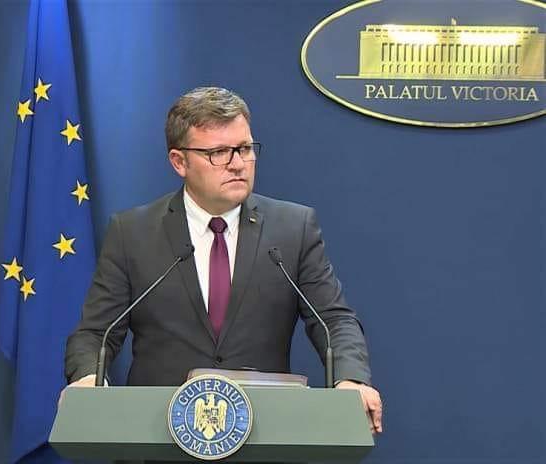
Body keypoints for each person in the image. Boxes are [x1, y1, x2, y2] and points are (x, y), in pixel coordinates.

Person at [65, 87, 382, 433]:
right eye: (218, 152)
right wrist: (88, 378)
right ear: (179, 162)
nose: (237, 164)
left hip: (266, 434)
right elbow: (96, 333)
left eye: (244, 148)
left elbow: (334, 320)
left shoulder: (293, 229)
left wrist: (350, 379)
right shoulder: (132, 233)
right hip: (157, 436)